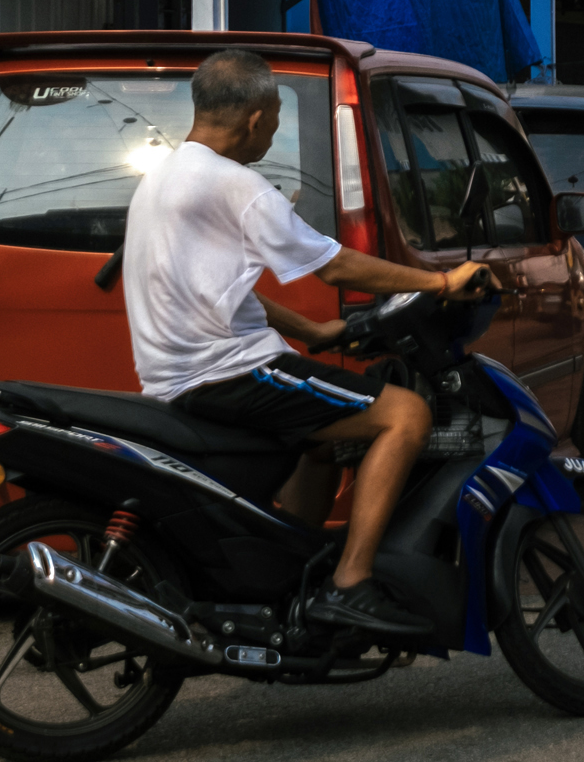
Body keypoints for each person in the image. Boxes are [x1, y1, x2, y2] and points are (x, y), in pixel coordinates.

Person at [122, 48, 493, 634]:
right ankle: (352, 582)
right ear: (256, 118)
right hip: (229, 373)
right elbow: (337, 267)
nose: (273, 130)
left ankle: (289, 574)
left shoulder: (164, 177)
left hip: (183, 376)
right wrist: (442, 280)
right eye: (274, 118)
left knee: (323, 442)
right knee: (406, 415)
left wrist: (312, 331)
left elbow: (217, 290)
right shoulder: (234, 185)